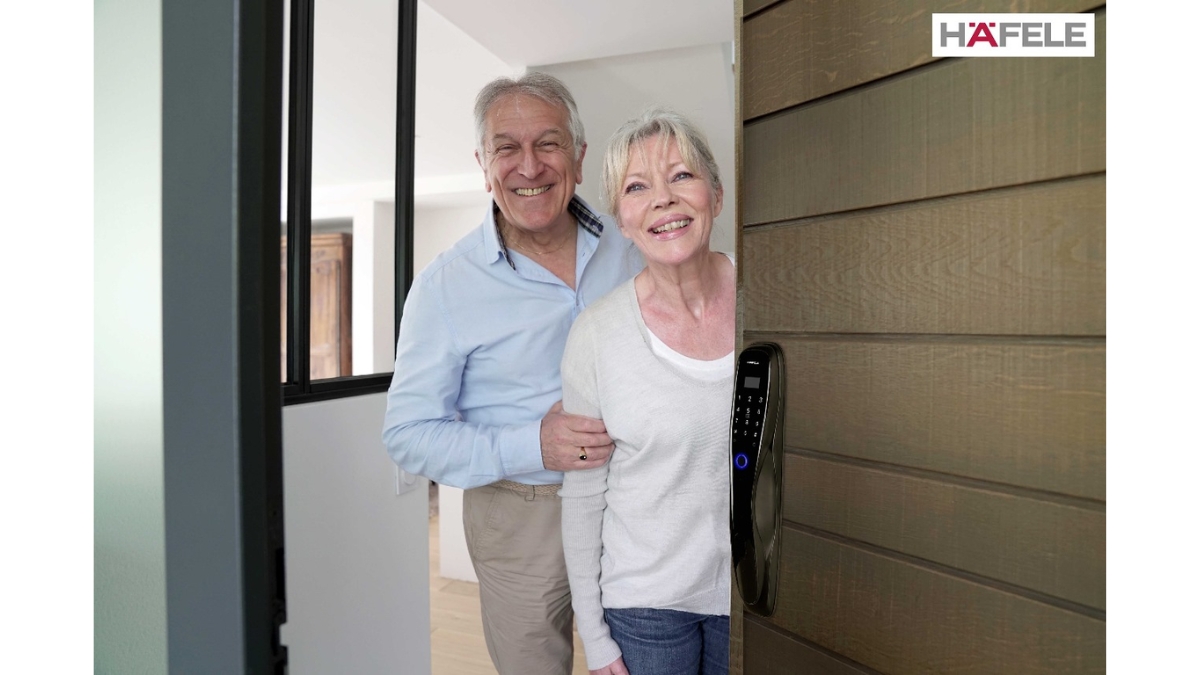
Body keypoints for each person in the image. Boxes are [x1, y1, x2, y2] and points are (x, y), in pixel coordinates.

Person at [382, 73, 643, 674]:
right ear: (484, 164)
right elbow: (407, 434)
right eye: (507, 148)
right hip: (520, 515)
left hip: (635, 499)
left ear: (578, 156)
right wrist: (534, 444)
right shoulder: (444, 286)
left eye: (548, 143)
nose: (530, 166)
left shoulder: (633, 246)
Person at [559, 108, 735, 675]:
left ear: (716, 195)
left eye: (681, 175)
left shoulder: (773, 300)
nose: (663, 199)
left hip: (754, 591)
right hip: (644, 605)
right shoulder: (596, 334)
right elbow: (584, 491)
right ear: (623, 220)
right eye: (638, 187)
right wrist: (595, 635)